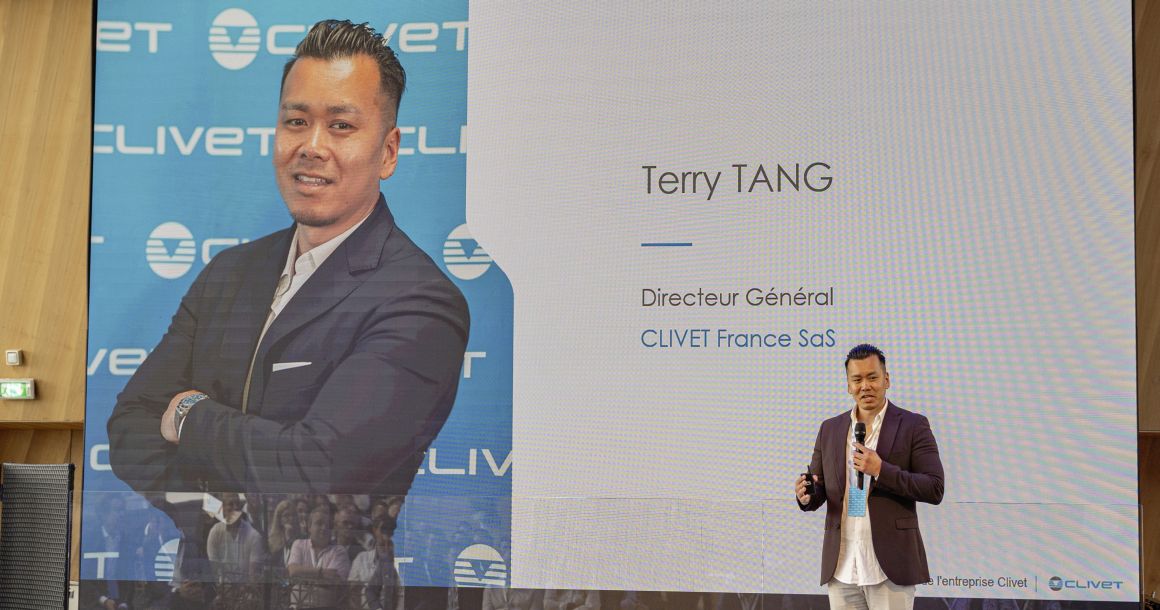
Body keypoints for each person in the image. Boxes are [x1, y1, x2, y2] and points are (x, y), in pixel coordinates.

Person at [105, 14, 468, 567]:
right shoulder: (229, 274)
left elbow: (318, 470)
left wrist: (189, 415)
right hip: (206, 588)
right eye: (296, 121)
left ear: (389, 151)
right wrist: (213, 515)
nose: (312, 146)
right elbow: (130, 424)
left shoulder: (418, 300)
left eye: (341, 126)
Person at [795, 344, 944, 610]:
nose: (866, 386)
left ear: (886, 379)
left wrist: (880, 470)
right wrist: (807, 495)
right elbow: (820, 488)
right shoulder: (829, 429)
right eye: (857, 379)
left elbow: (934, 488)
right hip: (842, 565)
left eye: (873, 377)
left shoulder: (913, 425)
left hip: (889, 566)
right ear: (848, 386)